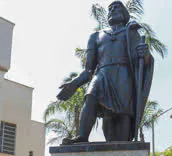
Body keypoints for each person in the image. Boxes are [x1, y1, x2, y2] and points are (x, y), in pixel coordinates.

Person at [57, 1, 153, 143]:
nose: (113, 10)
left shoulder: (131, 33)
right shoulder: (95, 36)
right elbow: (88, 70)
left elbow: (143, 61)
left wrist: (145, 55)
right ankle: (82, 137)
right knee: (90, 97)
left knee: (123, 120)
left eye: (117, 7)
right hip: (102, 74)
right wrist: (75, 83)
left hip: (123, 77)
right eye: (110, 8)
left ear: (124, 14)